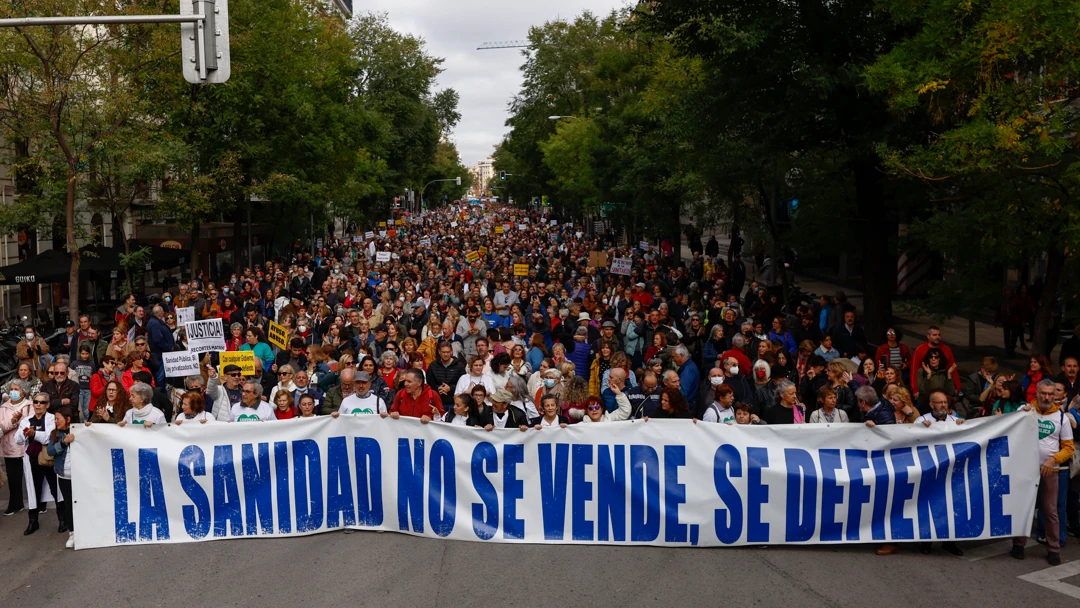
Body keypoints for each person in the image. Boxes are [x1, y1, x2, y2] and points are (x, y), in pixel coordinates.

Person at [1012, 379, 1073, 565]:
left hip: (1050, 471)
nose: (1046, 397)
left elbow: (1069, 448)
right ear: (1036, 394)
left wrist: (1053, 459)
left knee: (1050, 510)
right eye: (1043, 393)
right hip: (1026, 470)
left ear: (1056, 396)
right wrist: (1019, 417)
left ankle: (1053, 548)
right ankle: (1018, 544)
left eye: (1050, 394)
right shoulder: (1024, 411)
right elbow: (1010, 433)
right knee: (1023, 507)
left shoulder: (1062, 418)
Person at [15, 392, 59, 535]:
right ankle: (33, 522)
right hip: (33, 461)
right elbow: (18, 439)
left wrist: (34, 434)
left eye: (42, 402)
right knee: (34, 491)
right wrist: (26, 433)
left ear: (47, 405)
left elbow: (50, 437)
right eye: (36, 402)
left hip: (49, 460)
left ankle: (63, 520)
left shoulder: (52, 419)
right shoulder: (26, 420)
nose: (38, 405)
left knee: (55, 489)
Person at [45, 405, 76, 548]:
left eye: (58, 418)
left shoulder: (79, 430)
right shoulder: (54, 434)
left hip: (80, 476)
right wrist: (63, 442)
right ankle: (73, 532)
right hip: (64, 476)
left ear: (68, 419)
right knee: (69, 505)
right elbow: (50, 451)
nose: (56, 421)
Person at [1, 379, 33, 515]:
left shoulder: (30, 405)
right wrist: (13, 421)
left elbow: (32, 423)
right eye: (12, 389)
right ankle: (15, 504)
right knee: (14, 479)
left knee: (32, 477)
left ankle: (37, 505)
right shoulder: (3, 407)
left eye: (17, 389)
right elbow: (2, 426)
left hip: (27, 447)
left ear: (23, 392)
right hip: (10, 447)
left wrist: (21, 420)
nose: (13, 391)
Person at [909, 326, 961, 397]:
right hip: (925, 386)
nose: (937, 337)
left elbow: (953, 369)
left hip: (943, 386)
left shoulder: (947, 349)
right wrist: (915, 390)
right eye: (934, 335)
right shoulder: (920, 349)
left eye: (939, 335)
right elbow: (914, 371)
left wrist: (957, 387)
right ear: (928, 336)